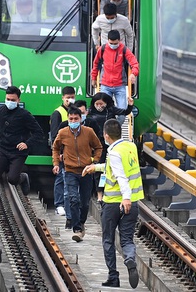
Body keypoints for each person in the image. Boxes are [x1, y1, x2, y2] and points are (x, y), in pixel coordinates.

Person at [82, 119, 144, 289]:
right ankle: (130, 258)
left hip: (114, 203)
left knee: (108, 240)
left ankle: (113, 277)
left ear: (106, 135)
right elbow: (115, 168)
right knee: (127, 239)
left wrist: (125, 198)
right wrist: (95, 167)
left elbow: (121, 176)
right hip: (133, 202)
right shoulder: (130, 147)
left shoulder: (115, 152)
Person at [0, 86, 44, 218]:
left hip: (18, 152)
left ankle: (23, 178)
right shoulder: (0, 111)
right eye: (8, 99)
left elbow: (38, 133)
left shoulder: (25, 115)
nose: (10, 101)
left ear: (18, 100)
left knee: (12, 179)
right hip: (3, 149)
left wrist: (26, 143)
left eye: (13, 99)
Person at [52, 107, 102, 242]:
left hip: (86, 171)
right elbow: (55, 147)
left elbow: (98, 147)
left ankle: (81, 222)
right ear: (67, 119)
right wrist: (56, 163)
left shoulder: (88, 132)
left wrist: (94, 161)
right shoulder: (62, 133)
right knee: (73, 198)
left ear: (81, 119)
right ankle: (77, 229)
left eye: (76, 119)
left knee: (85, 203)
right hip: (70, 170)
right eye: (71, 119)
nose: (73, 121)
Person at [88, 92, 135, 202]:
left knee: (108, 168)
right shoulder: (90, 112)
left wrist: (130, 105)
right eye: (97, 104)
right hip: (95, 145)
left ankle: (105, 191)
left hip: (108, 144)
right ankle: (99, 194)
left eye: (102, 104)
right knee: (97, 169)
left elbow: (125, 112)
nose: (99, 106)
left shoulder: (111, 110)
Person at [91, 29, 140, 125]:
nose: (113, 45)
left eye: (115, 43)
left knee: (122, 114)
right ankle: (104, 132)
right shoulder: (102, 49)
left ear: (119, 40)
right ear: (108, 40)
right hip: (105, 85)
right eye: (111, 43)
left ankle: (115, 130)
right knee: (104, 111)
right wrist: (93, 78)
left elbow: (134, 63)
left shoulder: (124, 49)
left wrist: (133, 73)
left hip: (120, 86)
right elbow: (95, 64)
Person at [50, 86, 76, 220]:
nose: (70, 100)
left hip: (72, 152)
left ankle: (68, 205)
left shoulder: (74, 112)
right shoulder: (58, 113)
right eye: (68, 97)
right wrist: (58, 152)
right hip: (62, 152)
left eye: (72, 97)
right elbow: (54, 135)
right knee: (60, 177)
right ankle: (59, 204)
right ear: (63, 97)